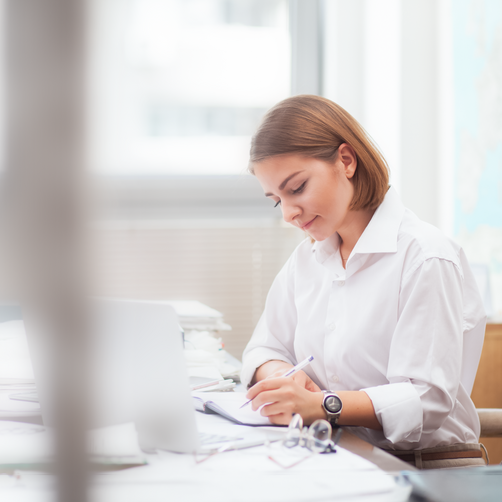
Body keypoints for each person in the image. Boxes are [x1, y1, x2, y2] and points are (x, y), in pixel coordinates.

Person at [240, 95, 487, 469]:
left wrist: (322, 404)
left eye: (297, 188)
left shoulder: (425, 256)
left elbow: (427, 399)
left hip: (425, 468)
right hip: (341, 457)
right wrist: (284, 382)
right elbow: (263, 349)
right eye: (277, 200)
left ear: (346, 160)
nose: (289, 213)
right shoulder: (307, 260)